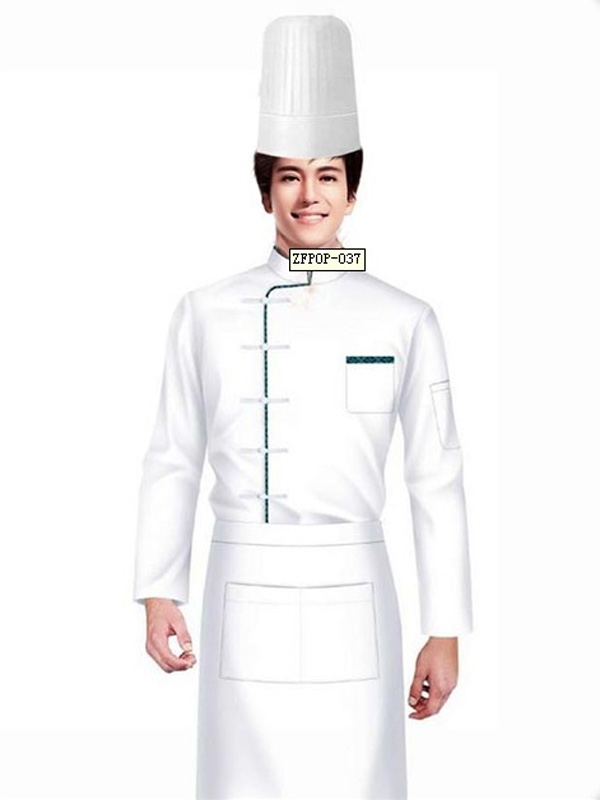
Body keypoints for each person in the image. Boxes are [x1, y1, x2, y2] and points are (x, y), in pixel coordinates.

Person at [133, 15, 473, 800]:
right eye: (289, 177)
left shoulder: (405, 318)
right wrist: (158, 590)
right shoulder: (205, 311)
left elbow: (436, 478)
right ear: (265, 192)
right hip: (240, 589)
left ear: (353, 190)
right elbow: (173, 453)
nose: (309, 196)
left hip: (358, 594)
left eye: (327, 176)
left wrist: (445, 629)